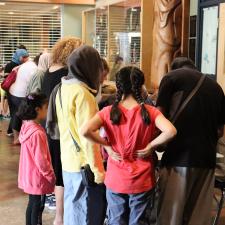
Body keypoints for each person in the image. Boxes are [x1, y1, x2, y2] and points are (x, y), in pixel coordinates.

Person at [82, 66, 177, 225]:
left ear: (118, 86)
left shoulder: (108, 112)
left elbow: (85, 130)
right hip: (143, 179)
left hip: (116, 178)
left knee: (116, 220)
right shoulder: (150, 111)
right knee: (138, 221)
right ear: (141, 86)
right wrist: (151, 146)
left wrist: (107, 146)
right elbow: (171, 131)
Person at [156, 57, 225, 225]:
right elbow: (220, 131)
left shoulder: (171, 78)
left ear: (174, 68)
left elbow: (158, 116)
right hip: (207, 160)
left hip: (178, 158)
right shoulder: (216, 88)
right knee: (197, 218)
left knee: (171, 216)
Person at [55, 45, 106, 225]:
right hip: (83, 165)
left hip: (67, 160)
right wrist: (99, 172)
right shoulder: (84, 94)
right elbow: (88, 138)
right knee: (84, 215)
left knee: (72, 212)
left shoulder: (63, 88)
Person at [41, 37, 82, 225]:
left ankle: (60, 216)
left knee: (58, 171)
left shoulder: (48, 71)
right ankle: (61, 216)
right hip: (63, 128)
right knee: (66, 172)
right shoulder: (66, 74)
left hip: (51, 126)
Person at [17, 93, 55, 225]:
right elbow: (41, 160)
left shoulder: (26, 126)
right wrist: (50, 176)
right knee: (37, 207)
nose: (47, 110)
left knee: (32, 204)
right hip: (37, 177)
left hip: (28, 175)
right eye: (46, 107)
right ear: (37, 110)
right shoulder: (38, 133)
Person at [9, 56, 38, 144]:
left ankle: (16, 138)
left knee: (16, 115)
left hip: (13, 92)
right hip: (21, 94)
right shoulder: (34, 68)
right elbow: (32, 84)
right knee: (26, 115)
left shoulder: (26, 64)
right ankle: (22, 138)